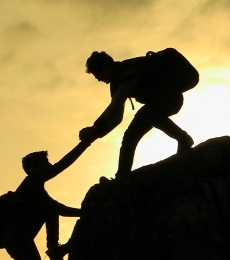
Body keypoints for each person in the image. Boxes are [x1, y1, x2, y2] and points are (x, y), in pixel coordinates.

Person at [79, 49, 197, 177]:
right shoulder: (116, 83)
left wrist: (95, 128)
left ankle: (183, 138)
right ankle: (122, 176)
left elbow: (116, 104)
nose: (98, 79)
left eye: (98, 75)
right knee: (130, 136)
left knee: (150, 116)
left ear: (105, 67)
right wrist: (96, 133)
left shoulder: (127, 72)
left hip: (171, 98)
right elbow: (117, 117)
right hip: (155, 104)